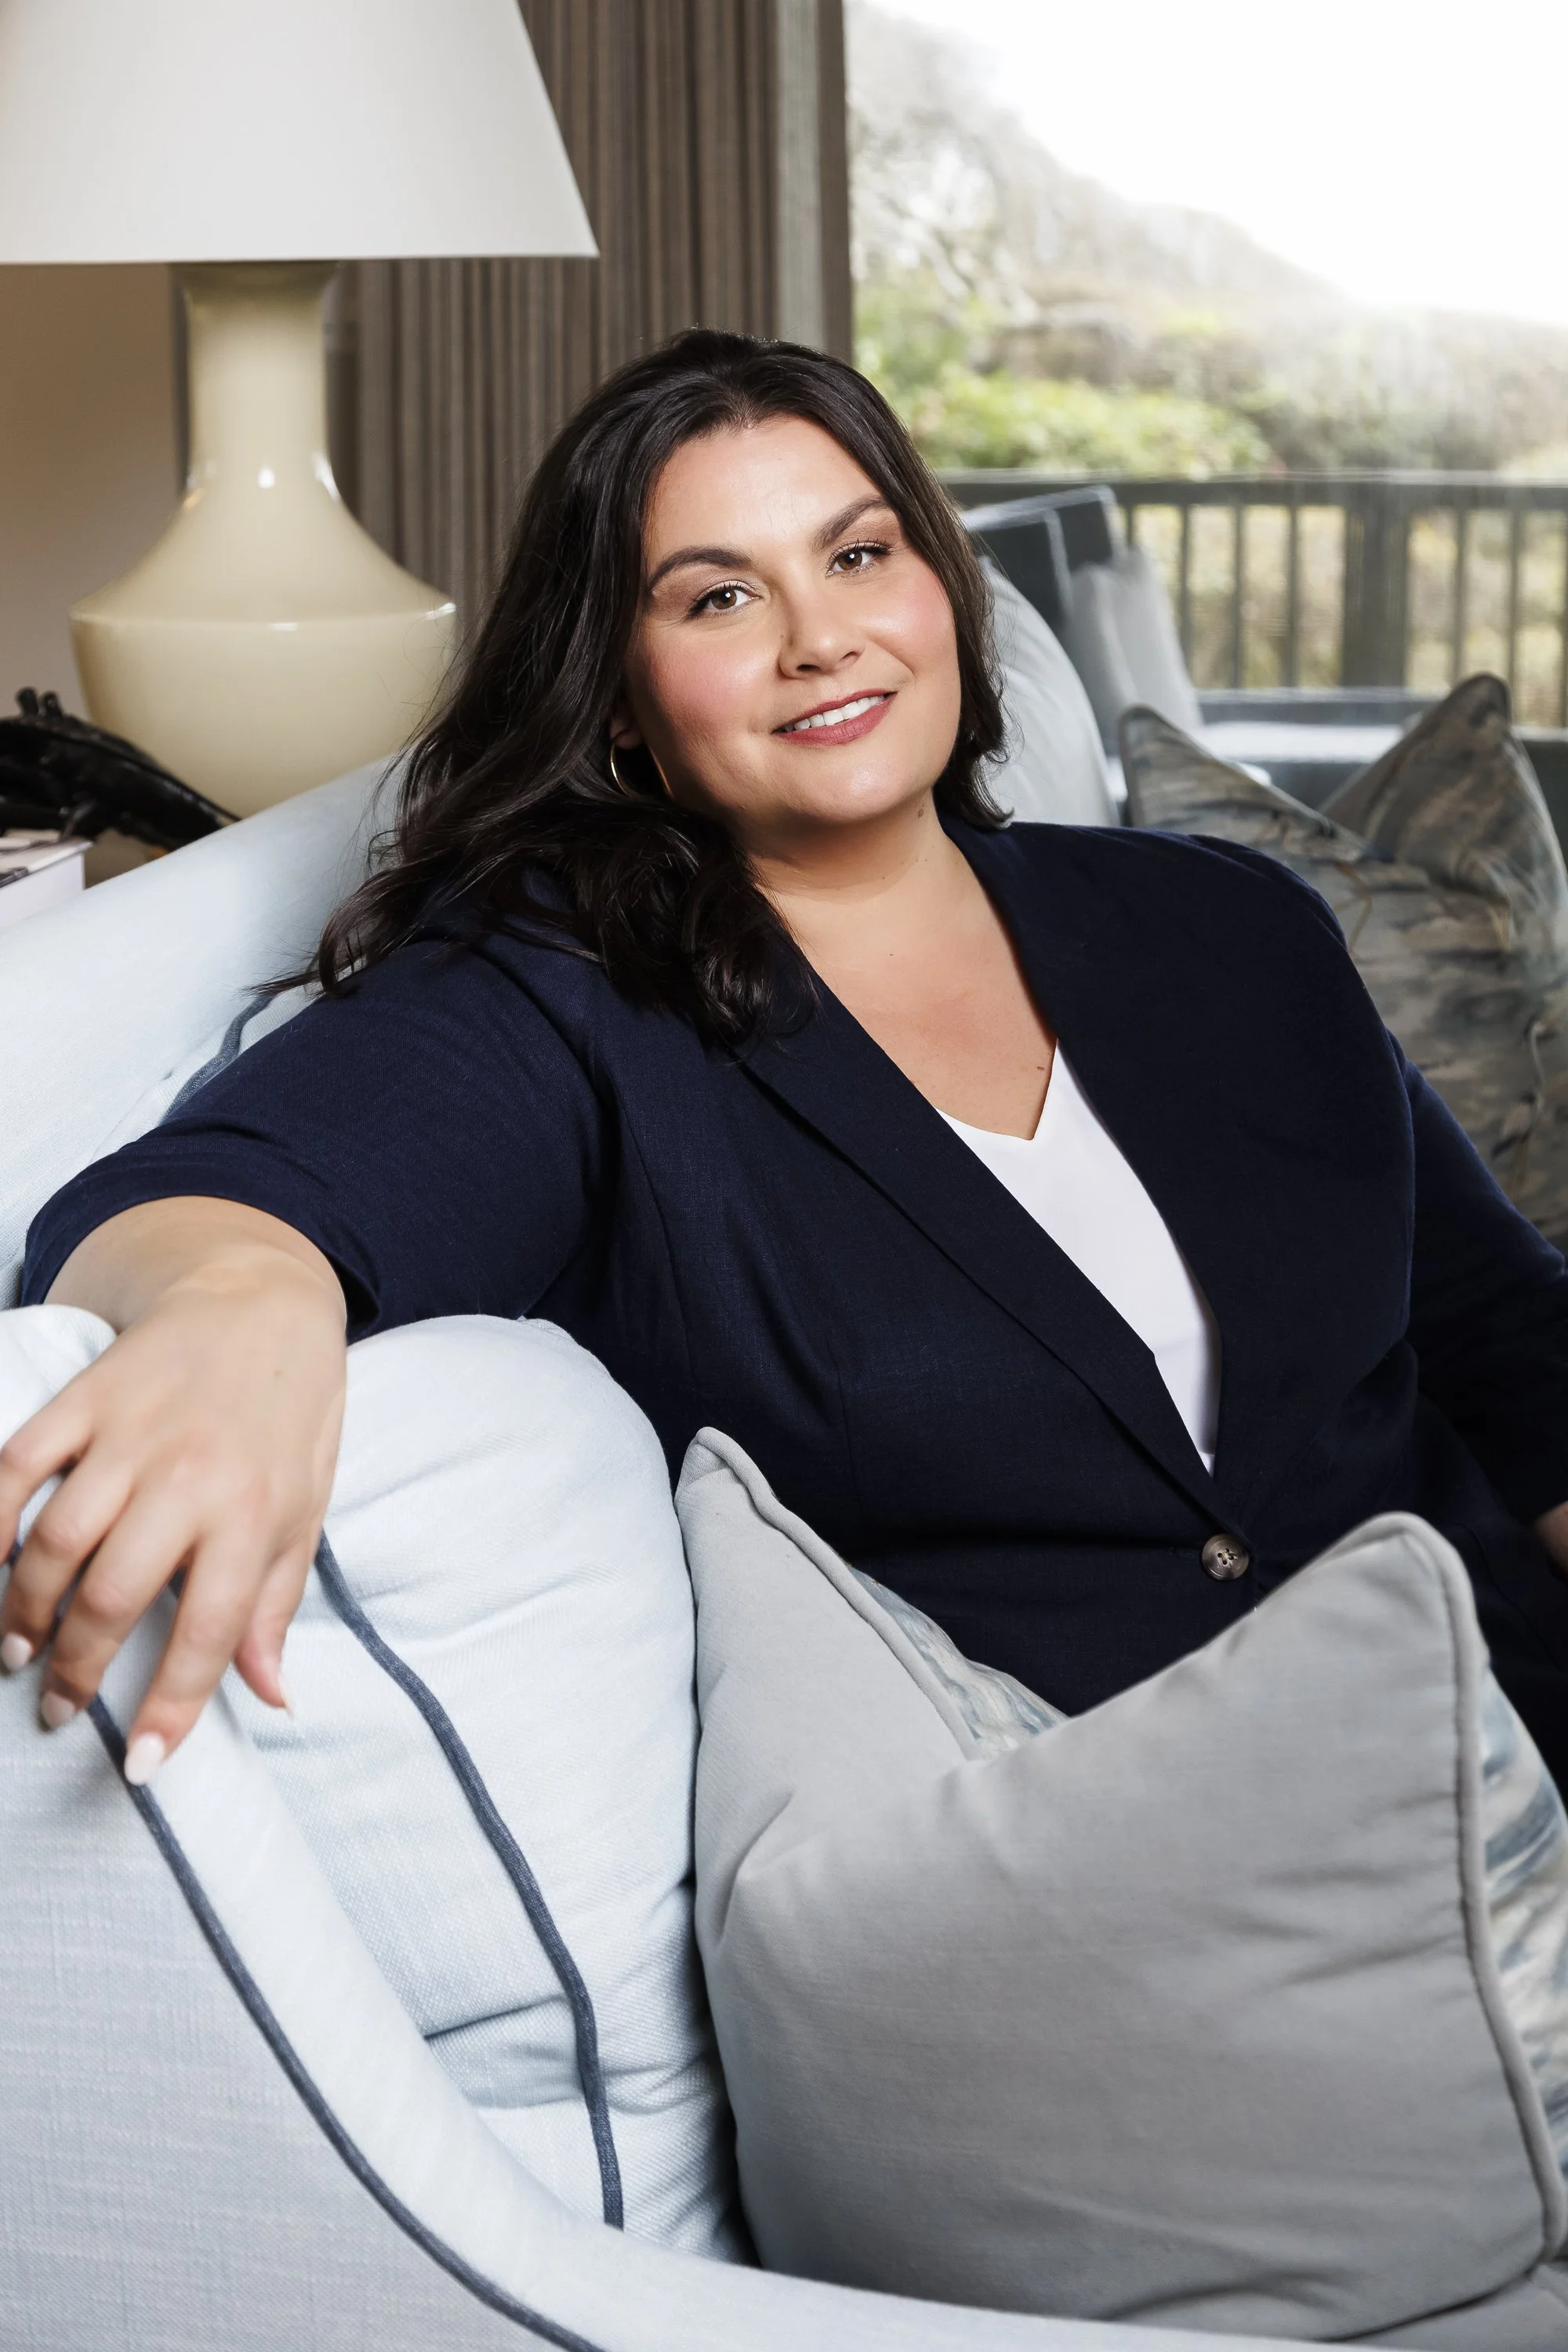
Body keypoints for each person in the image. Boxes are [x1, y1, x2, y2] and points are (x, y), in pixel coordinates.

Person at [5, 328, 1568, 1798]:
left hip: (1513, 1735)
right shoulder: (571, 992)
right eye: (717, 598)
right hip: (1129, 1884)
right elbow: (239, 1188)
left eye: (857, 554)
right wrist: (233, 1309)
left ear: (939, 585)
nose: (822, 639)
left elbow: (1509, 1346)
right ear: (621, 703)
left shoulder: (1224, 925)